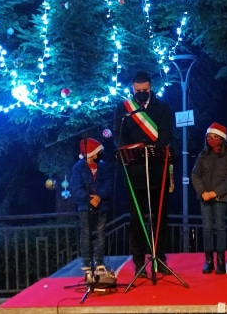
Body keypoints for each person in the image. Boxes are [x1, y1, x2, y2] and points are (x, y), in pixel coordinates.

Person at [114, 70, 174, 277]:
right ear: (133, 89)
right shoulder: (124, 110)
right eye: (138, 91)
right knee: (137, 220)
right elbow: (119, 138)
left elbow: (166, 135)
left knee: (159, 218)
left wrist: (151, 148)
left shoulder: (163, 109)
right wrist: (133, 150)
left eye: (145, 90)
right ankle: (139, 262)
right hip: (135, 174)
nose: (141, 94)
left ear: (150, 88)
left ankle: (160, 259)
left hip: (158, 172)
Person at [191, 122, 227, 275]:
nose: (211, 140)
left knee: (220, 227)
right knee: (207, 228)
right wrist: (203, 192)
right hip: (204, 197)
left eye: (215, 137)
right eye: (209, 137)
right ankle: (208, 261)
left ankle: (221, 261)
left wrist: (215, 193)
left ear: (221, 139)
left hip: (221, 197)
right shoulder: (203, 155)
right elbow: (195, 175)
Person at [69, 138, 113, 270]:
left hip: (102, 204)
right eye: (97, 152)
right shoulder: (78, 168)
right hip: (84, 205)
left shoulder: (103, 167)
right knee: (86, 233)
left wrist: (99, 197)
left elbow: (108, 184)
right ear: (91, 154)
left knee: (100, 233)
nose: (100, 154)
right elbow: (76, 187)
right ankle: (87, 262)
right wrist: (89, 199)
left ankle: (99, 261)